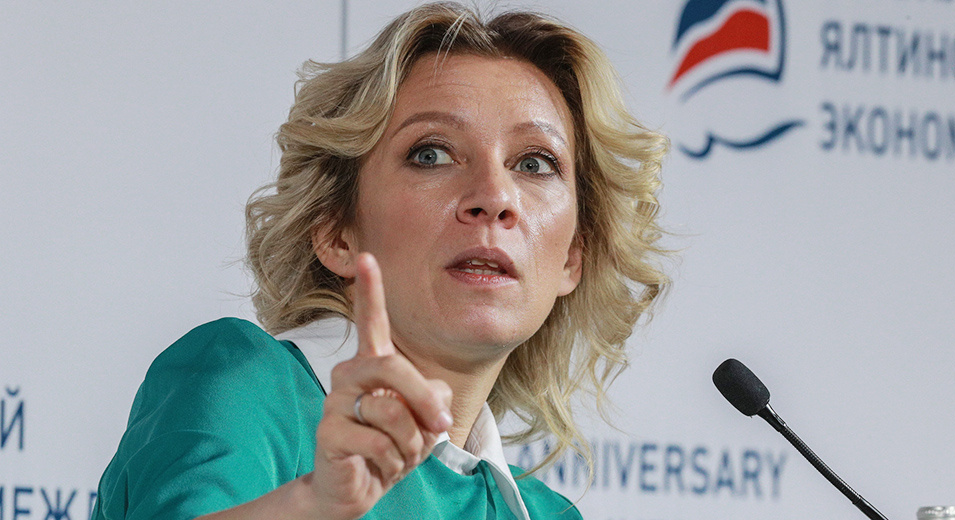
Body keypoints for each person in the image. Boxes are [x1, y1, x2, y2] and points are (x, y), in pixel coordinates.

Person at [91, 2, 669, 519]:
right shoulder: (247, 383)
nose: (494, 196)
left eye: (535, 163)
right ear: (336, 230)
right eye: (431, 153)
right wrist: (311, 506)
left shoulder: (547, 515)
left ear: (572, 257)